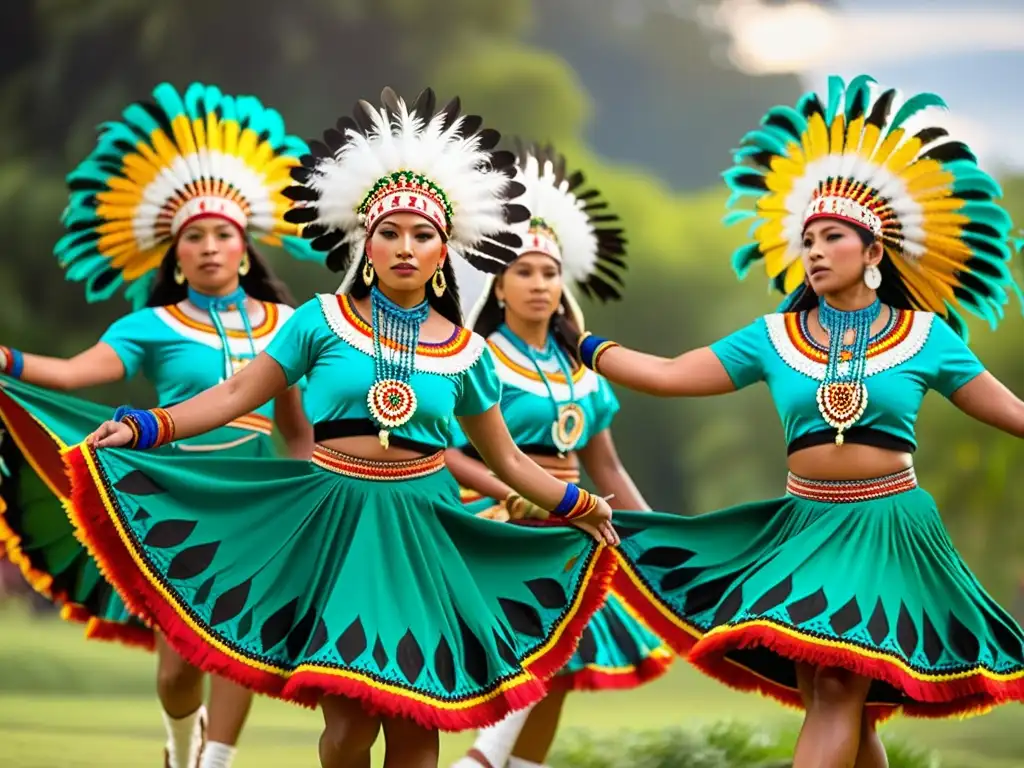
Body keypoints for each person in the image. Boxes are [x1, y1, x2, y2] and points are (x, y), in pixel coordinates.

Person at [61, 87, 619, 768]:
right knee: (350, 730)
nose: (406, 247)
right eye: (390, 232)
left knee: (419, 728)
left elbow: (505, 458)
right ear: (366, 241)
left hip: (425, 532)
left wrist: (578, 504)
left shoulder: (467, 352)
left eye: (423, 235)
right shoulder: (319, 321)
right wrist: (149, 427)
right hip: (335, 524)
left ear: (446, 252)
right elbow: (237, 392)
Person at [574, 75, 1024, 767]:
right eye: (806, 239)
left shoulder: (927, 337)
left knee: (842, 680)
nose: (813, 250)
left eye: (833, 236)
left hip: (886, 527)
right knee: (836, 691)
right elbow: (667, 375)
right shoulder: (772, 337)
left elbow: (1012, 414)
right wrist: (578, 342)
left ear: (874, 253)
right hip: (804, 525)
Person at [0, 81, 317, 768]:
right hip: (177, 499)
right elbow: (75, 374)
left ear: (245, 247)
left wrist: (304, 496)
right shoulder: (150, 325)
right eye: (194, 237)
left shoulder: (289, 326)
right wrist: (8, 358)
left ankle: (215, 763)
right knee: (179, 669)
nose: (208, 247)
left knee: (243, 642)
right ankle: (180, 747)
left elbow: (297, 427)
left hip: (262, 502)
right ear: (175, 254)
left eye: (222, 235)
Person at [448, 142, 670, 768]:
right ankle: (480, 760)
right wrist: (507, 492)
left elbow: (607, 468)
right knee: (532, 654)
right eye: (523, 271)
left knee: (561, 671)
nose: (539, 284)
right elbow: (441, 452)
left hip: (569, 528)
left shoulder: (585, 368)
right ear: (498, 282)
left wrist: (651, 533)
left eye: (549, 272)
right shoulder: (476, 356)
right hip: (495, 526)